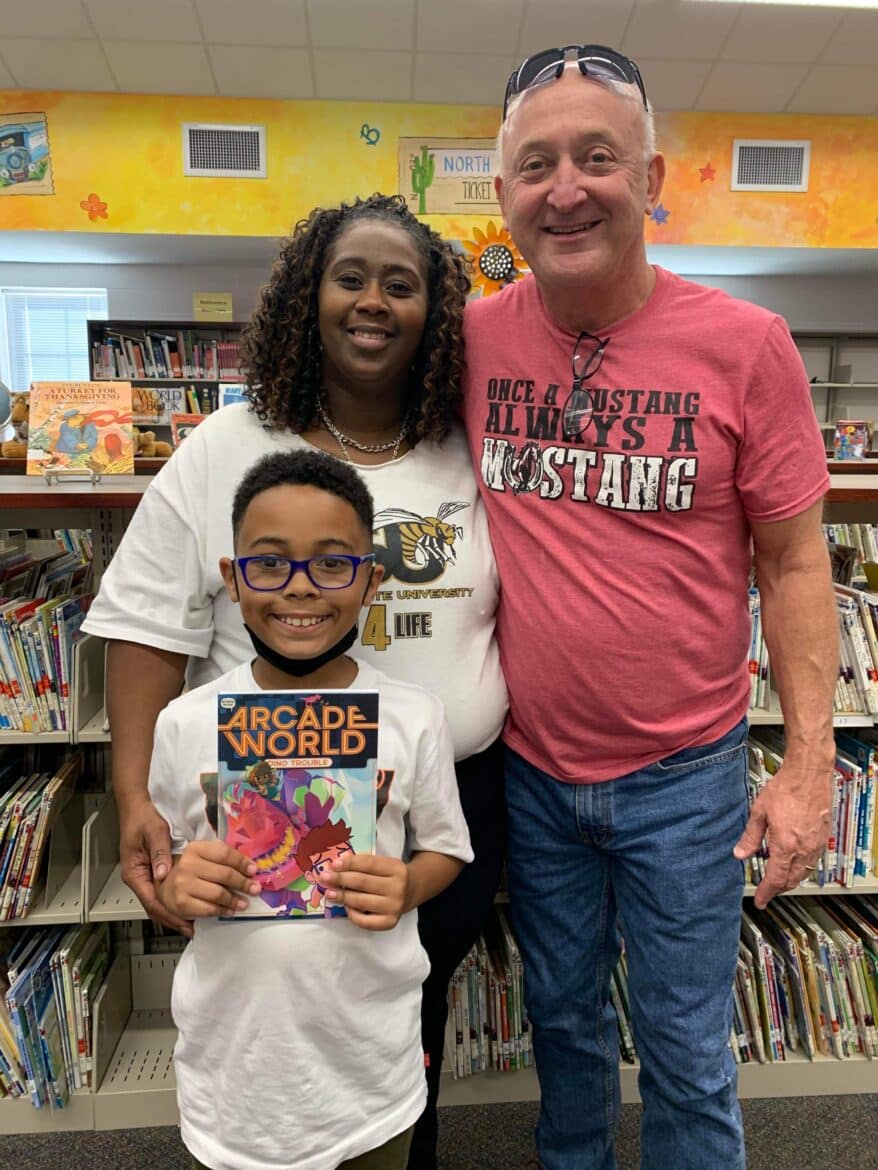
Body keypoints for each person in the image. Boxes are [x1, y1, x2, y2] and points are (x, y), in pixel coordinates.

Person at [459, 45, 837, 1170]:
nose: (565, 188)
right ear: (503, 194)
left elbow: (795, 562)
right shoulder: (471, 339)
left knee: (685, 1050)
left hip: (685, 778)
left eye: (597, 157)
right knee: (563, 1034)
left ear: (653, 178)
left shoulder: (746, 346)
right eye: (536, 165)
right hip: (532, 772)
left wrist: (808, 766)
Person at [81, 193, 507, 1169]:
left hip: (443, 799)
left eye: (400, 285)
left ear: (436, 314)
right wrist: (135, 794)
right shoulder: (229, 443)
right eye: (348, 278)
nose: (372, 302)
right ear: (307, 297)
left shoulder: (468, 446)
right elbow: (145, 627)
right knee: (276, 1011)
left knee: (404, 1012)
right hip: (263, 800)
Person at [150, 448, 473, 1170]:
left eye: (332, 563)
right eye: (269, 563)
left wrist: (408, 885)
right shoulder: (185, 722)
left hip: (370, 1073)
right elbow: (169, 869)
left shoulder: (413, 715)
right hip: (234, 1080)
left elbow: (447, 848)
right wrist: (178, 888)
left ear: (372, 580)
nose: (300, 587)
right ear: (233, 579)